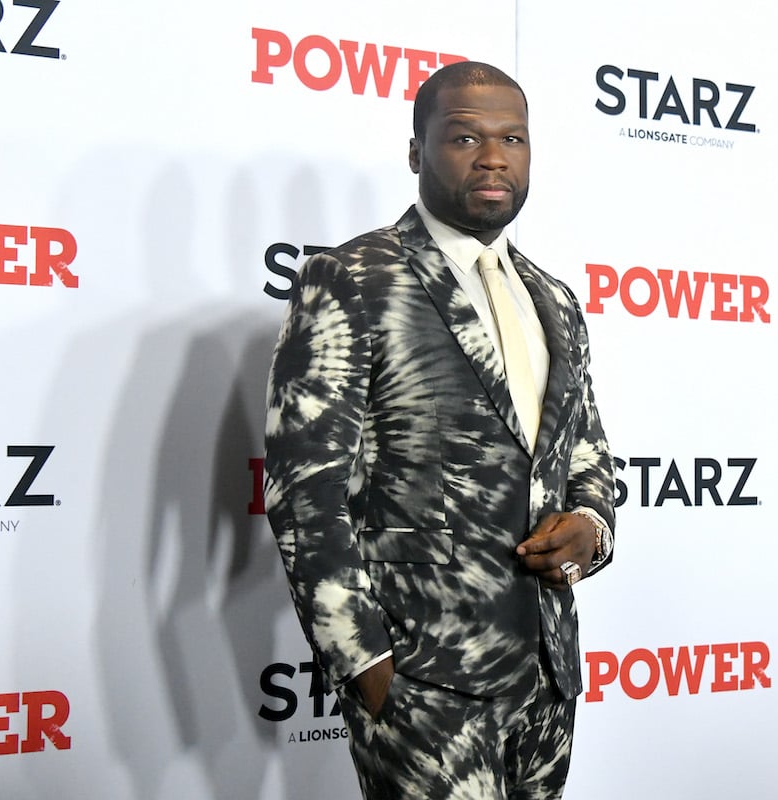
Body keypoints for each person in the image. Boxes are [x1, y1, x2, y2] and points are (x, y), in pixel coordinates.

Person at [263, 61, 616, 799]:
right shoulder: (354, 278)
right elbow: (305, 493)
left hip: (547, 677)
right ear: (417, 152)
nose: (494, 156)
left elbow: (586, 456)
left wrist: (590, 527)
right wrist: (365, 664)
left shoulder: (555, 299)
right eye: (465, 137)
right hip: (423, 682)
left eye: (512, 139)